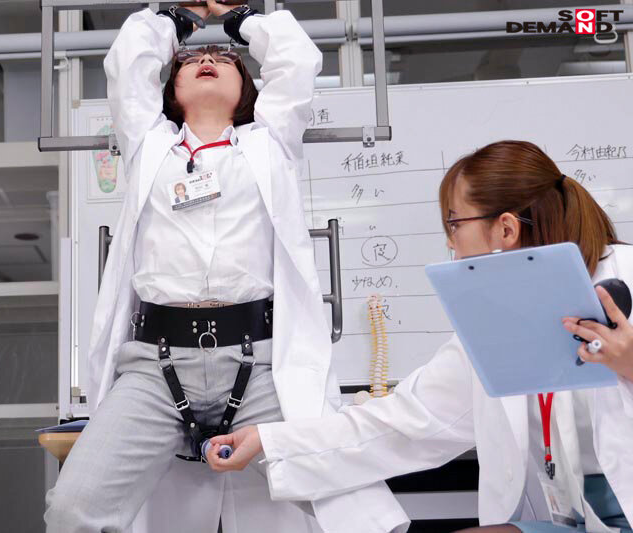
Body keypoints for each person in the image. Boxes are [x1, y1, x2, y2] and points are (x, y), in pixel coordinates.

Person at [43, 2, 409, 532]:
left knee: (356, 506)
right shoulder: (148, 144)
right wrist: (176, 18)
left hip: (258, 365)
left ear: (246, 90)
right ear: (171, 91)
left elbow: (296, 59)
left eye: (225, 59)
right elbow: (128, 63)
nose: (208, 60)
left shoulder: (270, 142)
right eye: (192, 60)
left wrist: (239, 17)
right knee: (73, 509)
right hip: (156, 367)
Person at [208, 140, 633, 533]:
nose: (450, 243)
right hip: (571, 519)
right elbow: (404, 423)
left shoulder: (625, 275)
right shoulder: (496, 322)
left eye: (455, 223)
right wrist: (269, 441)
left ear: (506, 229)